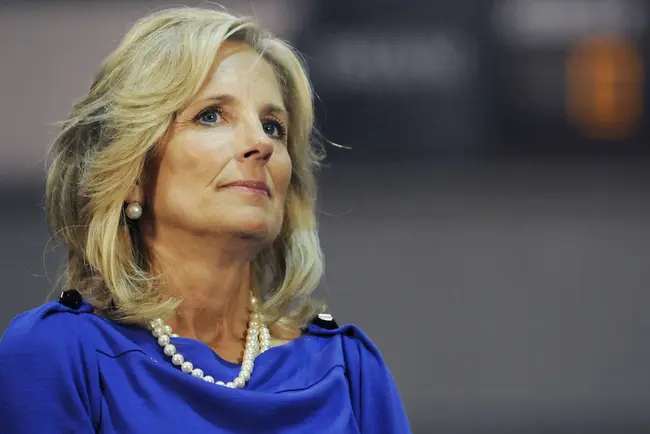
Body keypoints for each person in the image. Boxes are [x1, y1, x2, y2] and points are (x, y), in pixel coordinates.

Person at [0, 7, 411, 433]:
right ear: (132, 174)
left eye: (273, 126)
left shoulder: (348, 372)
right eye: (211, 115)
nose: (260, 144)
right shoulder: (59, 355)